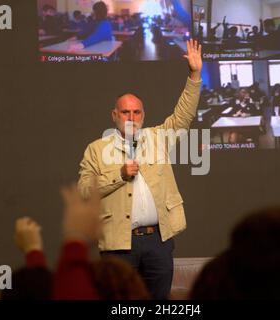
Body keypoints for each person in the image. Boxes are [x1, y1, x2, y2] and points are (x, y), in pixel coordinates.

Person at [77, 39, 202, 300]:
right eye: (125, 112)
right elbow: (84, 192)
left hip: (158, 241)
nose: (131, 117)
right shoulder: (96, 149)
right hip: (118, 245)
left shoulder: (157, 138)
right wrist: (119, 175)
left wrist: (194, 74)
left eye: (136, 112)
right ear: (114, 115)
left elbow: (183, 116)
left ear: (143, 116)